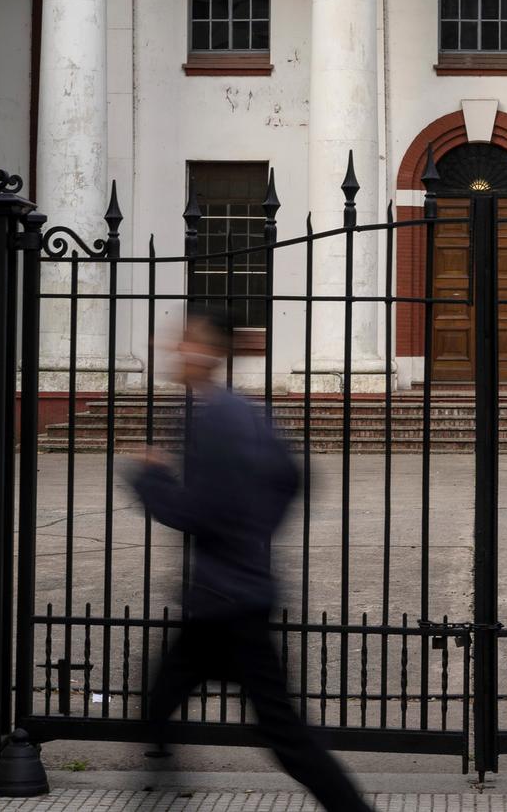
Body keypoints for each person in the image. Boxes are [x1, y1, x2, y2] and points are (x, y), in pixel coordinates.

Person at [122, 307, 372, 812]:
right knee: (159, 703)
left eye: (187, 340)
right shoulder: (239, 410)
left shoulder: (217, 420)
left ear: (213, 352)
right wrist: (256, 531)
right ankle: (162, 786)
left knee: (284, 736)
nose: (176, 350)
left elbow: (202, 513)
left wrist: (149, 479)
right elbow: (291, 475)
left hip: (229, 604)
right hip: (229, 594)